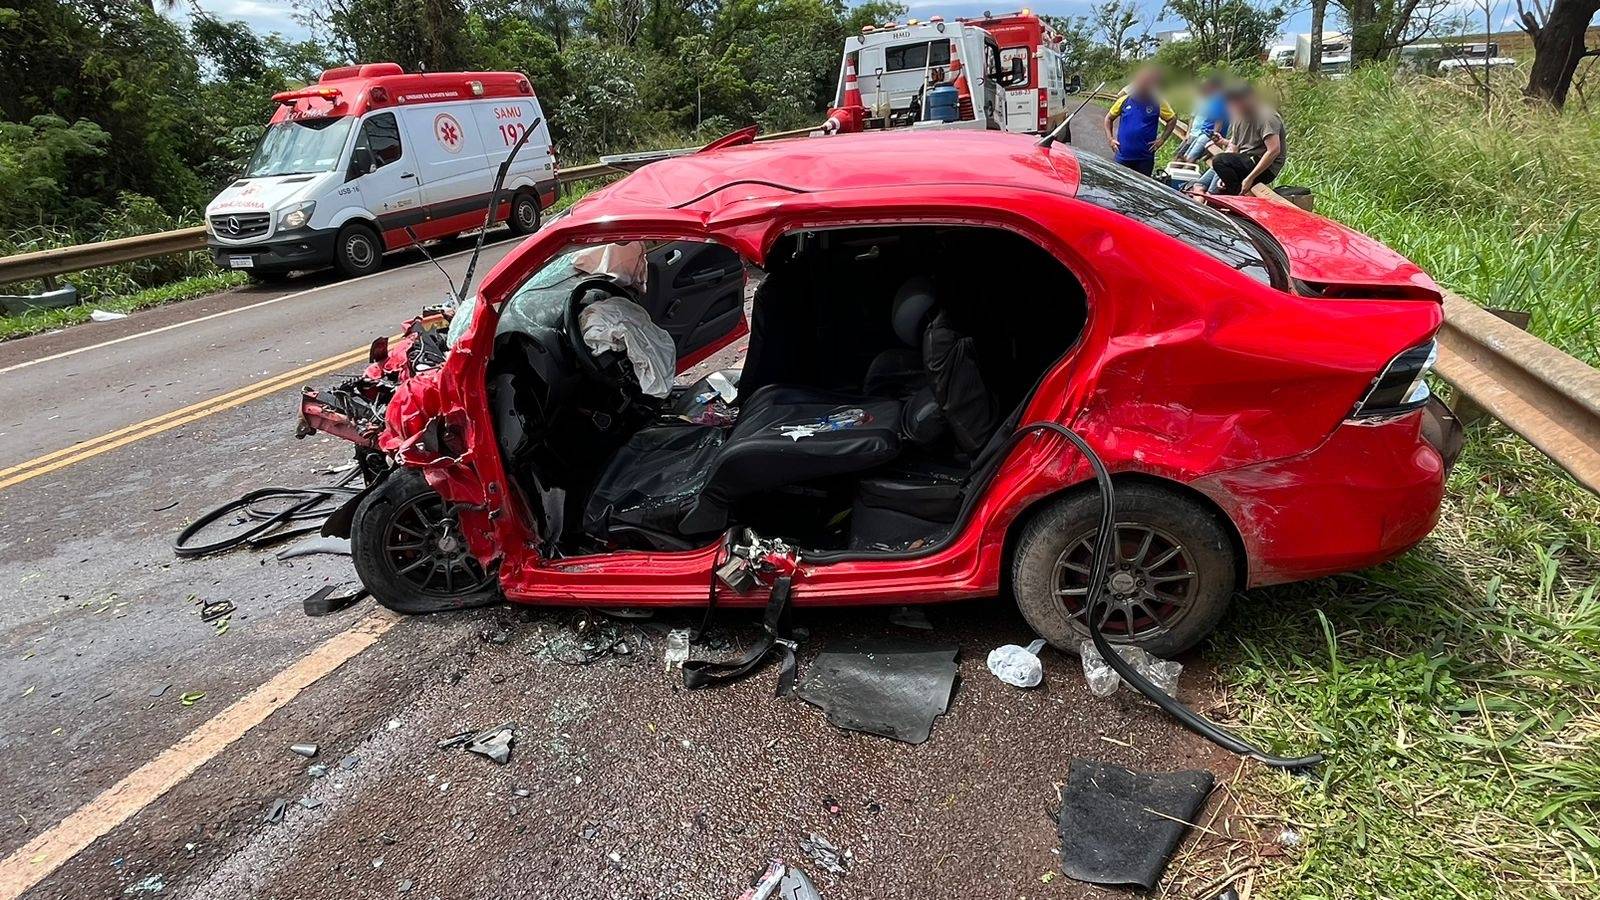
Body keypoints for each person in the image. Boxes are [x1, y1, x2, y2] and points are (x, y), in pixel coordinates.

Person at [1207, 82, 1286, 196]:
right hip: (1244, 160)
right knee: (1216, 169)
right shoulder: (1239, 117)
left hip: (1265, 167)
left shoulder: (1267, 117)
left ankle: (1237, 195)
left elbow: (1274, 150)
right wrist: (1223, 175)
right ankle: (1233, 193)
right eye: (1233, 101)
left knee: (1219, 160)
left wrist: (1250, 178)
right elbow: (1233, 146)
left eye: (1239, 100)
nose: (1236, 104)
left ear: (1251, 98)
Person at [1103, 66, 1177, 178]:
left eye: (1147, 84)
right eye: (1141, 83)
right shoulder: (1124, 101)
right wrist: (1110, 139)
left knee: (1141, 191)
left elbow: (1172, 119)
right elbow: (1108, 118)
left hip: (1144, 158)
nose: (1143, 87)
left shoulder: (1158, 102)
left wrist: (1161, 140)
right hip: (1123, 157)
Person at [1177, 74, 1228, 163]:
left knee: (1189, 159)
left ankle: (1182, 175)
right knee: (1185, 156)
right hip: (1204, 133)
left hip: (1208, 134)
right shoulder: (1217, 98)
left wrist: (1214, 136)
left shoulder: (1218, 98)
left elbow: (1219, 120)